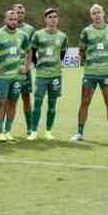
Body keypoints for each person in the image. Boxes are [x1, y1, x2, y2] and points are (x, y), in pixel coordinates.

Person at [73, 4, 108, 142]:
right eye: (94, 13)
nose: (97, 15)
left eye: (98, 12)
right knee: (84, 102)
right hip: (90, 73)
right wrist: (90, 62)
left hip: (107, 72)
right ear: (91, 16)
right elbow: (81, 51)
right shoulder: (86, 31)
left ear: (103, 13)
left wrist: (106, 61)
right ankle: (79, 133)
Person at [0, 9, 30, 141]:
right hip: (2, 77)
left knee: (13, 103)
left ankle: (8, 131)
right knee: (1, 102)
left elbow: (29, 51)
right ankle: (0, 130)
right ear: (5, 20)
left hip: (17, 76)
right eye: (11, 19)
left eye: (15, 20)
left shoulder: (22, 35)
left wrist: (26, 66)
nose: (14, 22)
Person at [31, 8, 69, 140]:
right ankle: (34, 131)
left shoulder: (62, 36)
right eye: (50, 17)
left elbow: (63, 54)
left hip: (55, 75)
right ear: (45, 19)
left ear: (58, 19)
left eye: (55, 17)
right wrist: (38, 65)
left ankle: (48, 131)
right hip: (41, 75)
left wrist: (55, 64)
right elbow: (32, 52)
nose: (53, 19)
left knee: (52, 104)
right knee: (37, 103)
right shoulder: (37, 35)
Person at [13, 3, 35, 134]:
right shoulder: (7, 29)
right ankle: (5, 128)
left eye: (22, 12)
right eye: (18, 12)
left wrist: (27, 66)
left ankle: (30, 127)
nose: (20, 14)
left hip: (25, 70)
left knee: (26, 97)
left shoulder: (30, 29)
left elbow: (31, 50)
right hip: (11, 70)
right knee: (11, 99)